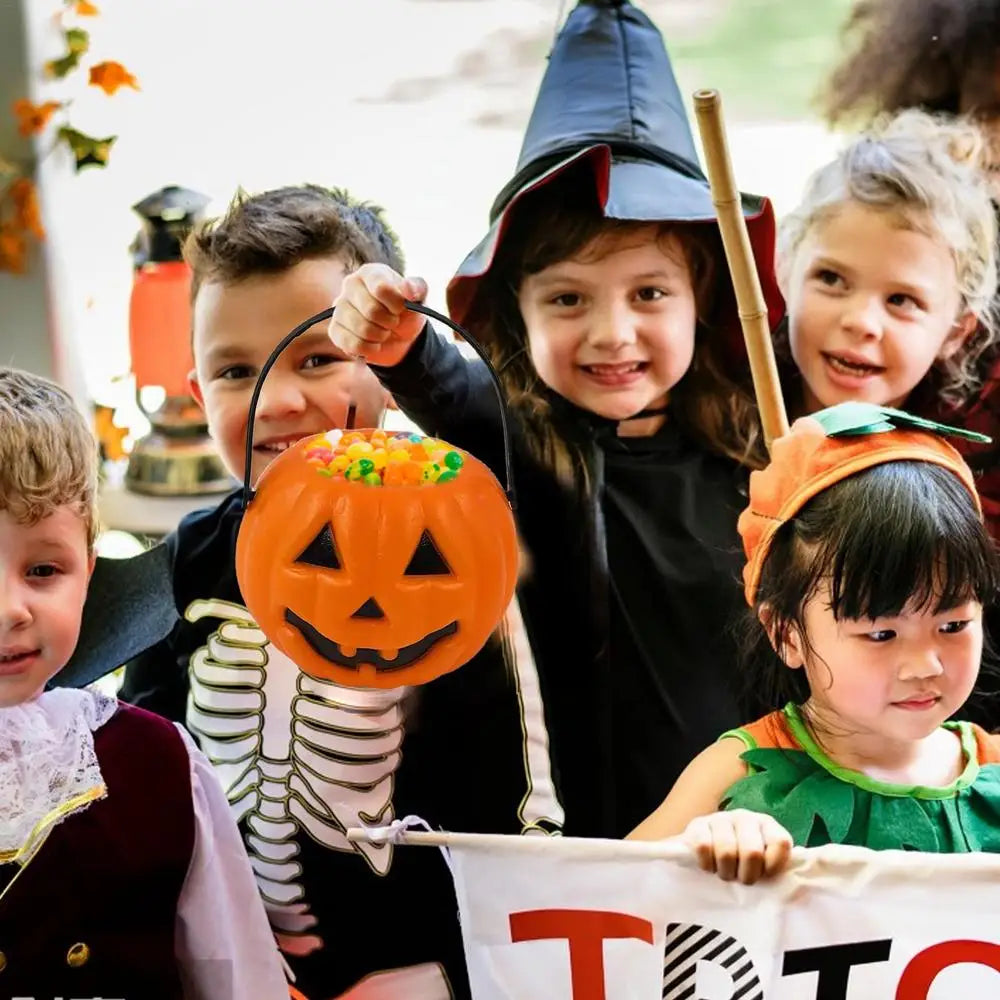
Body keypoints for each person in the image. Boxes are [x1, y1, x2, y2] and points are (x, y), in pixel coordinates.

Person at [75, 184, 558, 1000]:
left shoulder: (460, 550)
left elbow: (517, 789)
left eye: (319, 356)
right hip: (220, 959)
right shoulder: (192, 558)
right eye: (236, 370)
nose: (284, 399)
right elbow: (146, 750)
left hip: (414, 966)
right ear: (199, 394)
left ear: (392, 374)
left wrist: (463, 963)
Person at [328, 0, 784, 839]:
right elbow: (459, 399)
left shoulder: (765, 452)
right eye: (568, 298)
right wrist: (402, 347)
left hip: (741, 840)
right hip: (568, 860)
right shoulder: (523, 446)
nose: (612, 333)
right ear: (516, 310)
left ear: (705, 296)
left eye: (650, 293)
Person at [0, 366, 288, 999]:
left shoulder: (160, 762)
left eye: (44, 569)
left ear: (87, 570)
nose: (9, 610)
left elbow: (234, 971)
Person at [629, 406, 1000, 884]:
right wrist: (698, 846)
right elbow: (598, 900)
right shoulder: (734, 774)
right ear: (786, 633)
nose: (924, 665)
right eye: (882, 634)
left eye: (953, 626)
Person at [773, 110, 999, 522]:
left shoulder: (974, 478)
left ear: (956, 331)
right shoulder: (719, 410)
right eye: (831, 278)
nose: (861, 321)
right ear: (785, 272)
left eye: (902, 300)